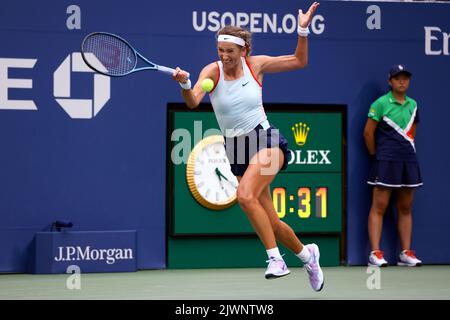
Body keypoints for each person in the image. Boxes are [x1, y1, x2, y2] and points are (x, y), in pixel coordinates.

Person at [172, 2, 324, 291]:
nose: (225, 55)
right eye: (221, 50)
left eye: (230, 51)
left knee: (243, 195)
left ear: (244, 50)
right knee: (272, 221)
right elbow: (192, 102)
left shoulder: (257, 65)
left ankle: (275, 259)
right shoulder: (212, 71)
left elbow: (298, 61)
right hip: (236, 148)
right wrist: (185, 82)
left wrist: (302, 30)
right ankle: (307, 255)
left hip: (265, 139)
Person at [364, 64, 423, 267]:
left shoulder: (413, 105)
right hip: (385, 161)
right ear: (390, 81)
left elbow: (412, 132)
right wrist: (377, 155)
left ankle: (405, 253)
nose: (402, 81)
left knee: (405, 207)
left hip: (408, 160)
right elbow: (368, 133)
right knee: (379, 206)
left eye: (405, 78)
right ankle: (375, 253)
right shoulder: (380, 103)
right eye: (397, 78)